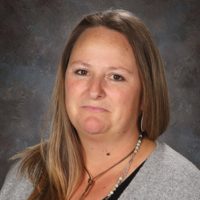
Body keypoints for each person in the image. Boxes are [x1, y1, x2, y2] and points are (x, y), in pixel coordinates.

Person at [0, 9, 199, 200]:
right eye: (82, 72)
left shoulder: (184, 188)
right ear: (63, 81)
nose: (94, 91)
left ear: (146, 94)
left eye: (116, 77)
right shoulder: (26, 175)